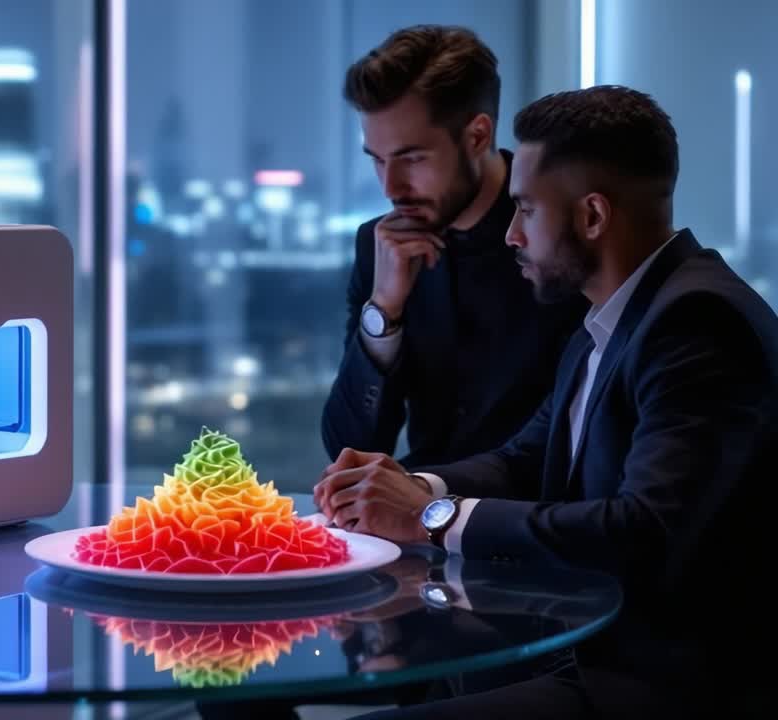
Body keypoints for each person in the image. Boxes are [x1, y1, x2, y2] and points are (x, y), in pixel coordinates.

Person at [316, 84, 773, 719]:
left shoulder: (695, 322)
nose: (511, 236)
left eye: (526, 210)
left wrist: (432, 517)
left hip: (653, 680)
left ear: (592, 217)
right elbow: (525, 459)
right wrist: (409, 486)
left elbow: (644, 531)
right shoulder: (610, 321)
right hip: (580, 639)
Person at [322, 25, 586, 469]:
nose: (390, 187)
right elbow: (349, 447)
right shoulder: (379, 245)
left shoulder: (559, 231)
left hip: (529, 506)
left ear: (477, 136)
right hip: (416, 505)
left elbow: (576, 441)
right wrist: (384, 311)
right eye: (378, 160)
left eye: (411, 158)